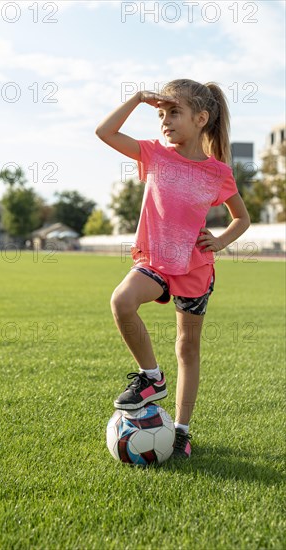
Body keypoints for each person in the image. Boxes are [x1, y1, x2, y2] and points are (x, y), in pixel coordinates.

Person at [95, 79, 250, 458]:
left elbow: (241, 218)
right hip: (155, 262)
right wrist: (137, 98)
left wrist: (221, 242)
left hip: (194, 269)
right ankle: (151, 376)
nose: (165, 120)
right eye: (161, 114)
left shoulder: (218, 173)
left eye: (174, 112)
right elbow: (105, 132)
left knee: (187, 348)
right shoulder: (154, 155)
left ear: (201, 118)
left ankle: (180, 431)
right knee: (122, 301)